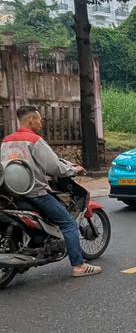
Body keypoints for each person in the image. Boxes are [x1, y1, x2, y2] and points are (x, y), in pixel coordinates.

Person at [0, 105, 101, 277]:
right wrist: (72, 170)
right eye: (39, 120)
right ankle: (79, 266)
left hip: (11, 194)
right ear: (31, 120)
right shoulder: (35, 140)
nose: (41, 123)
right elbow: (54, 166)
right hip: (36, 193)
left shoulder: (6, 141)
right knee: (69, 224)